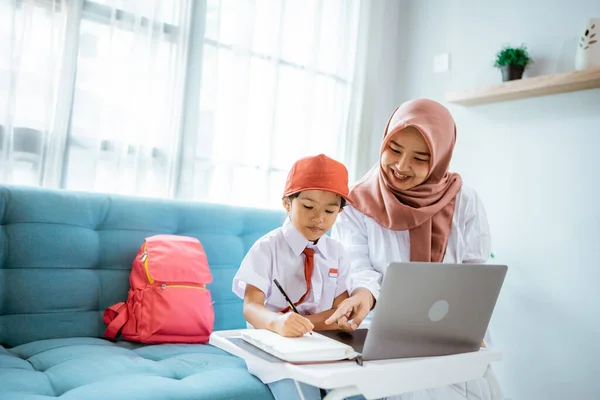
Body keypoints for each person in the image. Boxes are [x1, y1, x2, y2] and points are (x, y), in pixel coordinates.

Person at [327, 98, 493, 400]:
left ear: (441, 157)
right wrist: (364, 295)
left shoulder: (465, 201)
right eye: (395, 149)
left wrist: (470, 322)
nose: (402, 167)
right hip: (383, 332)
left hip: (453, 329)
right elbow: (359, 269)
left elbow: (475, 274)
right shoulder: (355, 204)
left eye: (420, 157)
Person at [232, 153, 353, 400]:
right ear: (287, 203)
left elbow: (340, 311)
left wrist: (310, 325)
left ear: (339, 212)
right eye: (308, 207)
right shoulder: (266, 248)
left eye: (330, 210)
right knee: (301, 394)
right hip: (272, 343)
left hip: (320, 345)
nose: (319, 218)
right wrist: (278, 323)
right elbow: (251, 307)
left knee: (354, 390)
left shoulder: (337, 253)